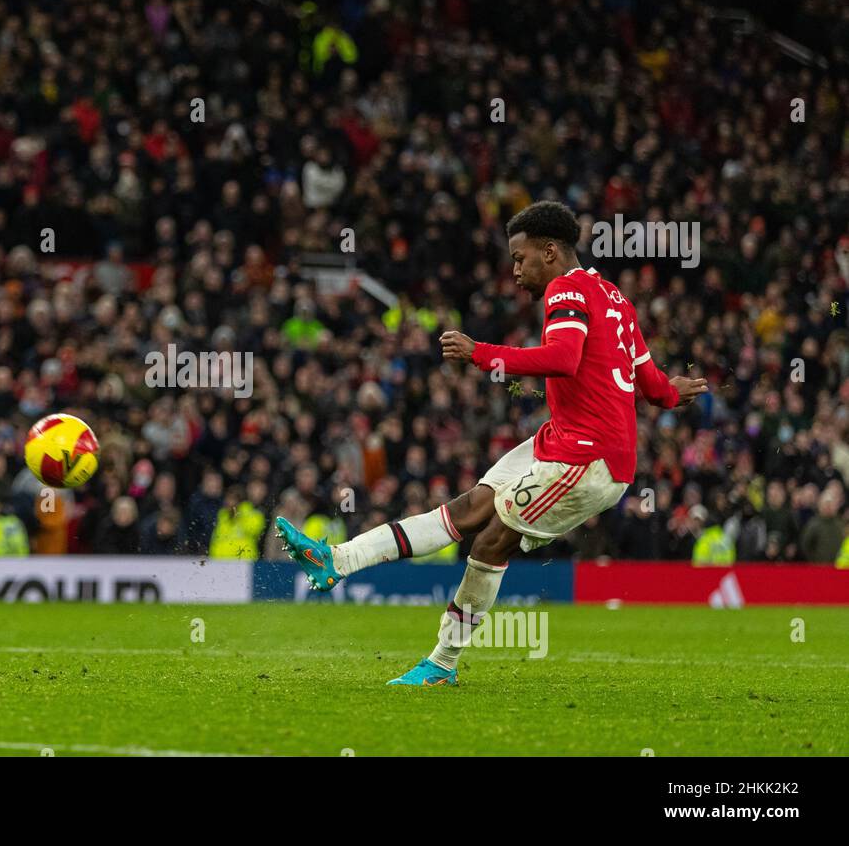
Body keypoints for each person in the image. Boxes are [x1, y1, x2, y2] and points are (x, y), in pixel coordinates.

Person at [276, 202, 708, 686]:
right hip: (563, 439)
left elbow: (564, 359)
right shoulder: (615, 299)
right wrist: (676, 393)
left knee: (490, 538)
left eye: (521, 259)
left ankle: (441, 663)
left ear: (551, 252)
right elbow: (649, 384)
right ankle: (337, 560)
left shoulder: (566, 290)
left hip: (589, 458)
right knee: (467, 509)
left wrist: (479, 353)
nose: (516, 270)